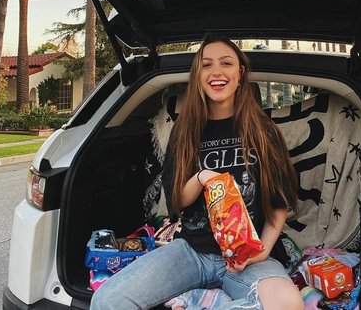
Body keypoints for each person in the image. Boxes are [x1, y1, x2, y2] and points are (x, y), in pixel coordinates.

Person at [91, 33, 303, 310]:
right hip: (191, 252)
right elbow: (177, 201)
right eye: (206, 65)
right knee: (107, 300)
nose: (217, 72)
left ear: (240, 73)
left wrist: (260, 253)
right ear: (197, 76)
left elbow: (278, 207)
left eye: (226, 63)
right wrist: (202, 177)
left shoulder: (264, 132)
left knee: (288, 304)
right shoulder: (184, 131)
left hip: (247, 257)